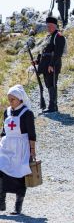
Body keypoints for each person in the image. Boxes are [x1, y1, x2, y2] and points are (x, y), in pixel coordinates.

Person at [0, 85, 36, 215]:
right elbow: (4, 130)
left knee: (20, 175)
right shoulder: (7, 112)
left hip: (21, 147)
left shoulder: (27, 113)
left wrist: (32, 150)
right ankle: (1, 202)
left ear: (20, 99)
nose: (10, 102)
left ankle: (18, 207)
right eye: (9, 99)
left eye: (13, 99)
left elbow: (32, 134)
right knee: (1, 170)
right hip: (6, 146)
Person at [35, 16, 66, 113]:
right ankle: (51, 106)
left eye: (49, 26)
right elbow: (45, 51)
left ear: (54, 26)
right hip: (46, 65)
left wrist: (52, 65)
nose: (48, 28)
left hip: (52, 65)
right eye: (47, 26)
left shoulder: (59, 36)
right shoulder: (50, 36)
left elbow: (58, 53)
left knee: (52, 84)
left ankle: (53, 106)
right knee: (48, 84)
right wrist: (37, 61)